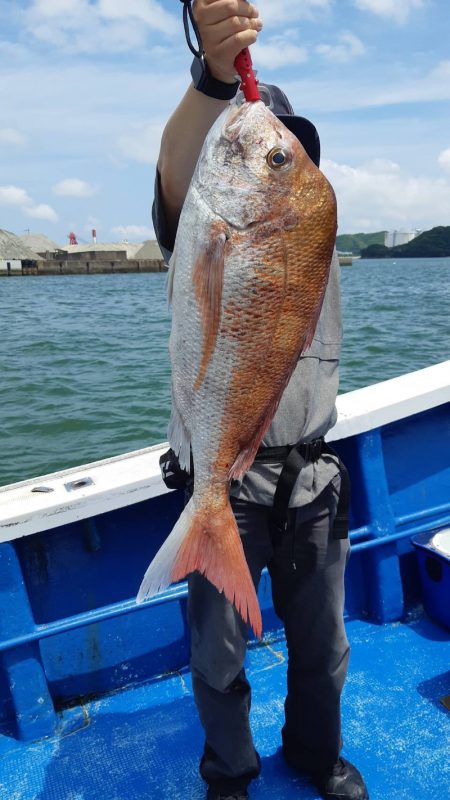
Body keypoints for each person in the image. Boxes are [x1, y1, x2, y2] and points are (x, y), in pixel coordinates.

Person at [153, 2, 369, 799]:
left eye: (286, 148)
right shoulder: (203, 225)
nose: (268, 144)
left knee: (325, 647)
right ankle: (230, 769)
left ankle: (317, 755)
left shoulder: (309, 234)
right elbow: (180, 169)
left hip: (310, 476)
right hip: (222, 477)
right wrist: (215, 75)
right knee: (218, 652)